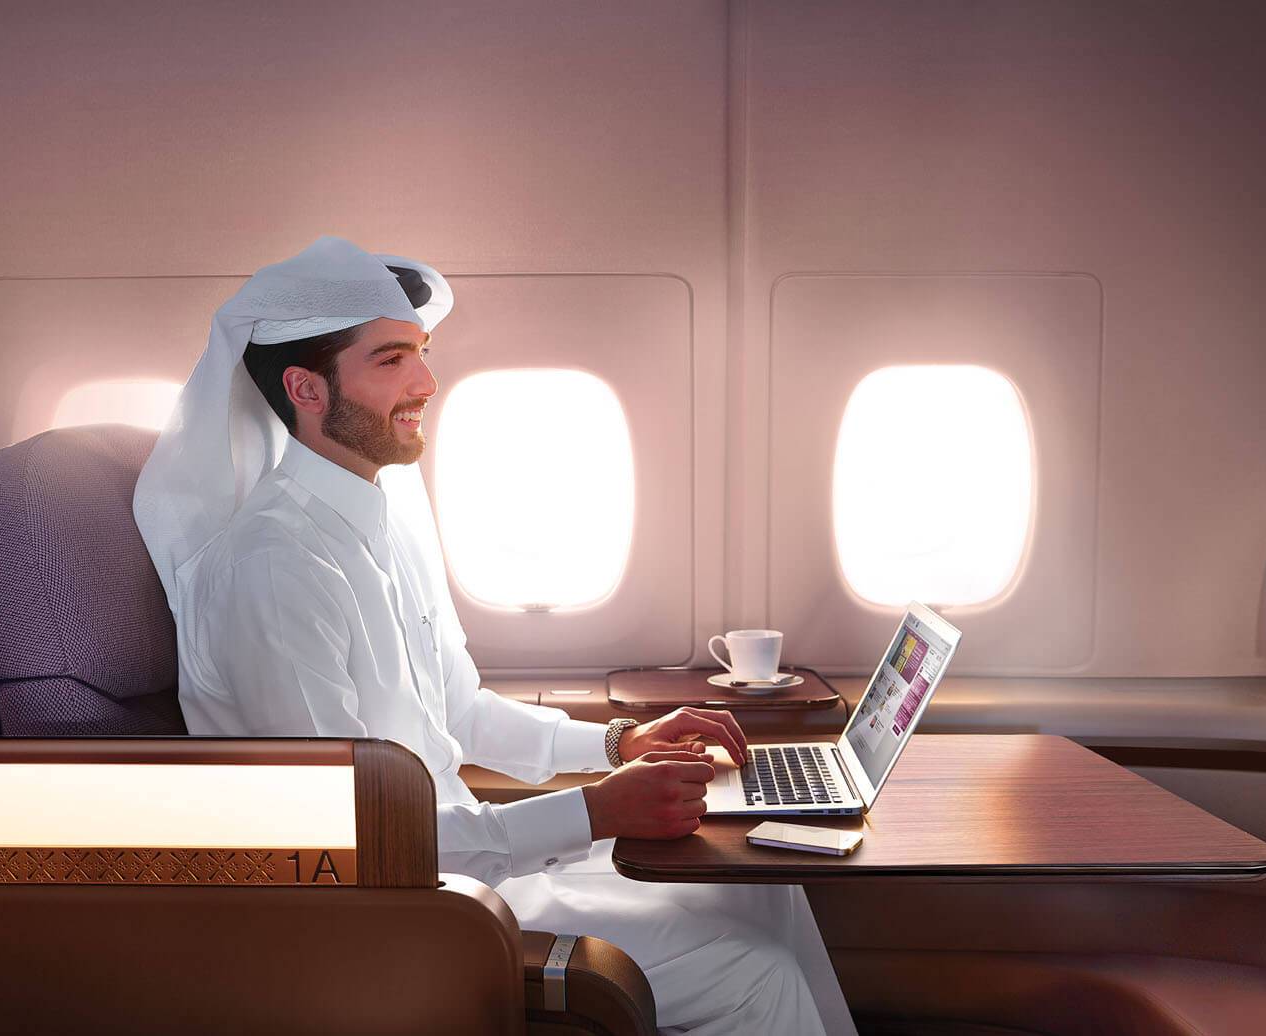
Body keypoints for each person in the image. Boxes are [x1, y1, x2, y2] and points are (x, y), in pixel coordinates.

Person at [134, 236, 856, 1035]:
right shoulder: (272, 567)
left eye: (423, 354)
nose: (427, 383)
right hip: (398, 914)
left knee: (768, 893)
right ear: (305, 386)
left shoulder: (385, 520)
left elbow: (463, 710)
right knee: (755, 977)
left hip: (462, 861)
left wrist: (621, 743)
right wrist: (594, 812)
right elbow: (347, 835)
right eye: (391, 360)